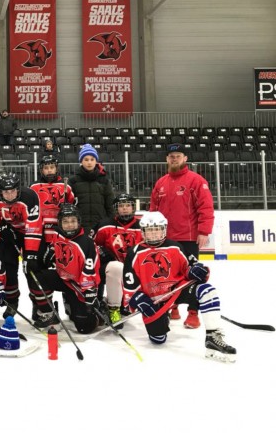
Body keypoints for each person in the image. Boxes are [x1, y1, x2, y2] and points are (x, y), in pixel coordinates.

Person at [122, 211, 236, 362]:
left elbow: (190, 268)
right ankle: (164, 317)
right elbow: (129, 287)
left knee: (206, 290)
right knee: (158, 338)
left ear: (164, 229)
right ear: (143, 232)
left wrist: (195, 270)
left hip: (177, 291)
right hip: (154, 300)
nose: (154, 234)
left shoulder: (175, 247)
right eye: (150, 230)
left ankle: (213, 336)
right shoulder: (134, 253)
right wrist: (139, 300)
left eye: (157, 229)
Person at [150, 142, 214, 329]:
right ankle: (173, 307)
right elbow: (153, 210)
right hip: (166, 239)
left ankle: (193, 312)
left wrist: (204, 231)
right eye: (171, 156)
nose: (174, 158)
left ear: (185, 158)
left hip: (189, 238)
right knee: (168, 274)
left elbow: (206, 207)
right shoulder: (161, 182)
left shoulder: (196, 180)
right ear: (167, 159)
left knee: (194, 275)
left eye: (178, 155)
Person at [32, 204, 101, 332]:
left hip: (78, 285)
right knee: (38, 277)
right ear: (60, 223)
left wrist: (89, 291)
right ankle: (49, 313)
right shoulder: (58, 236)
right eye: (65, 221)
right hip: (63, 279)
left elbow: (90, 269)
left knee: (85, 327)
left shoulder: (86, 242)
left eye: (73, 221)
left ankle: (98, 307)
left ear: (79, 222)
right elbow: (49, 257)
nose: (69, 225)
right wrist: (47, 256)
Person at [0, 172, 42, 314]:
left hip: (28, 233)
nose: (9, 195)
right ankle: (12, 302)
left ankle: (38, 303)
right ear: (0, 191)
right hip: (8, 235)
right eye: (6, 192)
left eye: (12, 191)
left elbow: (34, 226)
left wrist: (31, 254)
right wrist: (0, 227)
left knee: (32, 268)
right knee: (9, 268)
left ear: (18, 189)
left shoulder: (29, 197)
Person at [91, 193, 144, 324]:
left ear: (133, 208)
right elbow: (91, 245)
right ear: (116, 208)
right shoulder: (105, 225)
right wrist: (100, 251)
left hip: (133, 270)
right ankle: (112, 307)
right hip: (111, 269)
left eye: (128, 205)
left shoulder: (142, 227)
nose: (125, 208)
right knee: (115, 268)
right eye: (121, 206)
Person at [68, 143, 115, 232]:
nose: (89, 162)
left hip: (100, 225)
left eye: (92, 159)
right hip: (79, 226)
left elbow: (110, 205)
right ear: (81, 161)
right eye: (86, 159)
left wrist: (110, 223)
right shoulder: (73, 181)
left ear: (96, 161)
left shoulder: (104, 180)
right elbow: (69, 204)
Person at [30, 154, 75, 244]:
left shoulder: (65, 185)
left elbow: (72, 204)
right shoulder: (34, 187)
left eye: (52, 167)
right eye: (46, 168)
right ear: (41, 170)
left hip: (60, 230)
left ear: (56, 169)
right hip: (40, 230)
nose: (49, 170)